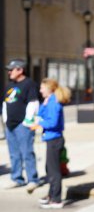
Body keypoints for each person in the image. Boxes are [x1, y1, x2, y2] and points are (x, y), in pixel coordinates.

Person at [31, 78, 71, 209]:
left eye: (42, 88)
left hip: (54, 139)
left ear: (50, 89)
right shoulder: (50, 101)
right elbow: (41, 114)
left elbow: (52, 123)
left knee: (54, 171)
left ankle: (56, 199)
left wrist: (38, 124)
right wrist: (44, 104)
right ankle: (51, 195)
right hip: (51, 139)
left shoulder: (54, 103)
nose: (40, 90)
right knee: (50, 169)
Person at [2, 58, 40, 193]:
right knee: (14, 154)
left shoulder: (29, 84)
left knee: (27, 153)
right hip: (10, 125)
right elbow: (5, 103)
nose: (9, 72)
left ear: (20, 70)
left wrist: (27, 122)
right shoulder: (9, 85)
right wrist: (6, 121)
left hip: (22, 125)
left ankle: (33, 180)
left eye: (12, 70)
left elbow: (33, 103)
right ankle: (17, 178)